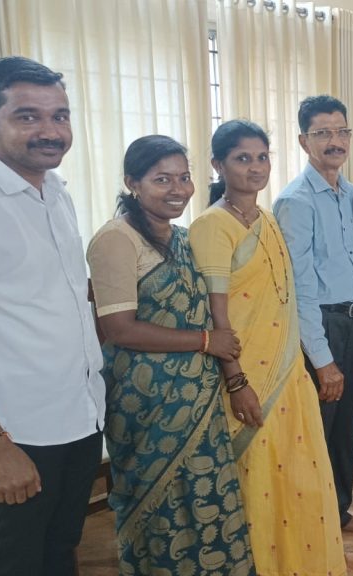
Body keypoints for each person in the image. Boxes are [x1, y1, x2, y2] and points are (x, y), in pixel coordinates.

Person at [0, 56, 105, 576]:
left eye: (60, 115)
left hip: (78, 414)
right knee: (20, 562)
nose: (51, 131)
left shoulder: (55, 192)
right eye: (28, 116)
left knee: (60, 550)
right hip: (16, 429)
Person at [86, 135, 254, 573]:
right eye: (162, 179)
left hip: (199, 397)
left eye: (184, 177)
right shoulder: (115, 240)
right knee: (161, 510)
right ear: (132, 183)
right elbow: (119, 329)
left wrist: (232, 374)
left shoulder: (183, 238)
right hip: (146, 403)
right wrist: (206, 342)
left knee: (210, 495)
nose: (178, 189)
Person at [189, 120, 346, 575]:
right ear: (218, 165)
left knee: (299, 477)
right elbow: (217, 317)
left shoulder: (268, 219)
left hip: (288, 373)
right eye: (243, 158)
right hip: (248, 379)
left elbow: (287, 298)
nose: (255, 167)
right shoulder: (212, 226)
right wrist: (237, 382)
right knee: (258, 480)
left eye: (262, 157)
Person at [274, 95, 353, 533]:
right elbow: (298, 288)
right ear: (304, 141)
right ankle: (311, 521)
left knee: (345, 424)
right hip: (324, 325)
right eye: (323, 133)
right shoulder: (296, 201)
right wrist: (321, 359)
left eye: (342, 131)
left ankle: (338, 512)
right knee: (319, 426)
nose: (335, 141)